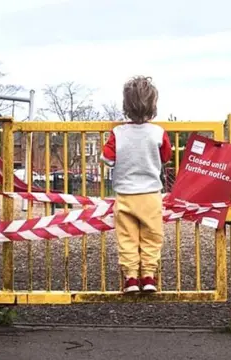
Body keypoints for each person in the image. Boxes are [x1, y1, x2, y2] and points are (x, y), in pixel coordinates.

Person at [100, 76, 172, 293]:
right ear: (153, 106)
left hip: (124, 194)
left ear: (125, 106)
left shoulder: (118, 133)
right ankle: (149, 276)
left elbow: (107, 158)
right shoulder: (158, 133)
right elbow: (166, 157)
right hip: (151, 193)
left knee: (127, 238)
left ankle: (131, 278)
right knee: (152, 236)